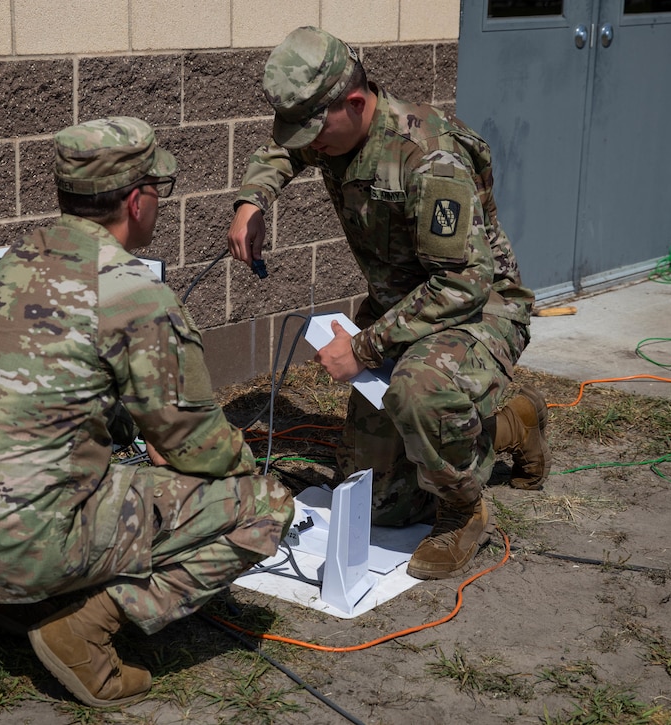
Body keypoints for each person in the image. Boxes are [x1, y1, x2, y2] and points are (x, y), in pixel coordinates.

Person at [0, 116, 294, 708]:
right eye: (157, 194)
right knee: (264, 506)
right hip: (24, 544)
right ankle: (85, 627)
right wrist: (241, 465)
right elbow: (199, 444)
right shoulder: (131, 293)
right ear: (138, 200)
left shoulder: (19, 260)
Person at [228, 27, 549, 580]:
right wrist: (252, 202)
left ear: (355, 103)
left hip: (479, 309)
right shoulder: (331, 127)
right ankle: (511, 424)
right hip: (406, 305)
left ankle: (462, 511)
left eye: (315, 131)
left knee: (418, 391)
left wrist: (364, 346)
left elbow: (462, 284)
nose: (309, 145)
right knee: (380, 507)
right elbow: (281, 149)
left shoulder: (430, 158)